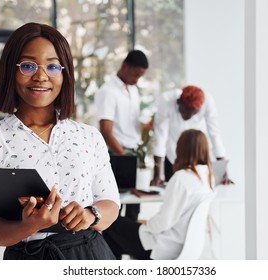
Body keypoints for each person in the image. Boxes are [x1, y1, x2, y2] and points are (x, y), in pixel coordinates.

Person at [0, 22, 120, 260]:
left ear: (65, 74)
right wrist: (28, 226)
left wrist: (90, 215)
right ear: (10, 71)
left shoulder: (88, 136)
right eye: (27, 65)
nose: (41, 76)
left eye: (53, 66)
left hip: (90, 254)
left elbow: (111, 203)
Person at [102, 129, 215, 260]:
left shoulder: (181, 178)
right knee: (119, 236)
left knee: (110, 224)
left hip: (161, 248)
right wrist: (148, 224)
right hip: (184, 247)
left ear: (181, 149)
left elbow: (164, 222)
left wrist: (146, 224)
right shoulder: (208, 177)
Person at [94, 50, 149, 220]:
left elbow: (131, 124)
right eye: (136, 74)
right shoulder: (108, 91)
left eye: (141, 76)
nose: (137, 79)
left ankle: (129, 247)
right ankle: (113, 247)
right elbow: (106, 130)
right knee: (115, 207)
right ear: (125, 66)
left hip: (134, 153)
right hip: (118, 155)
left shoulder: (133, 90)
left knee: (134, 208)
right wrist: (124, 156)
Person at [151, 85, 233, 185]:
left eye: (193, 113)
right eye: (185, 111)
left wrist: (224, 172)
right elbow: (160, 136)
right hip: (174, 157)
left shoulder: (207, 101)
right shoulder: (166, 100)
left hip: (198, 157)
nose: (189, 116)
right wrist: (157, 176)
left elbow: (214, 134)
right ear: (178, 102)